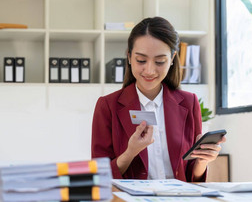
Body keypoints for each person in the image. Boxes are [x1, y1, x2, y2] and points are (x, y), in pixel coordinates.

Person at [91, 17, 226, 182]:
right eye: (141, 60)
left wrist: (203, 160)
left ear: (172, 59)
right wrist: (130, 153)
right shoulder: (107, 106)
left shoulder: (189, 103)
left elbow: (193, 177)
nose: (149, 70)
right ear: (129, 56)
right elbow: (99, 176)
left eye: (160, 61)